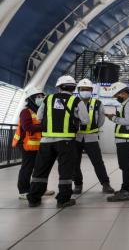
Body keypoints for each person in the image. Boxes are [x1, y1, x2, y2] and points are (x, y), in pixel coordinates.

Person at [27, 75, 90, 208]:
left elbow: (39, 117)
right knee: (65, 171)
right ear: (73, 88)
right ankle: (63, 200)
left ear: (59, 87)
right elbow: (85, 120)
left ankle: (34, 198)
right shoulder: (76, 101)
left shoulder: (48, 99)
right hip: (66, 141)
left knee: (40, 170)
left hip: (46, 141)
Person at [73, 78, 114, 194]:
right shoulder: (73, 102)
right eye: (83, 89)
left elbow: (101, 120)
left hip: (91, 137)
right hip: (76, 137)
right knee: (75, 163)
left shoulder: (98, 103)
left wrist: (92, 128)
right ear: (79, 90)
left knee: (98, 162)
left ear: (91, 91)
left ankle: (105, 184)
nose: (85, 91)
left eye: (87, 89)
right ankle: (77, 185)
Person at [13, 88, 55, 200]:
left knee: (40, 168)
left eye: (42, 97)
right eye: (38, 97)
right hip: (26, 144)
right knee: (27, 168)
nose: (40, 99)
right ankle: (23, 191)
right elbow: (27, 127)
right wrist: (44, 127)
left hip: (39, 145)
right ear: (31, 99)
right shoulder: (26, 112)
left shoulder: (41, 111)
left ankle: (40, 189)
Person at [105, 82, 129, 202]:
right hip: (124, 140)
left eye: (117, 95)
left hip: (126, 140)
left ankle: (127, 191)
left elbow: (128, 121)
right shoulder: (127, 103)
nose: (116, 98)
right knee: (126, 165)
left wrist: (113, 118)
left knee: (127, 166)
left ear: (123, 93)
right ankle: (127, 189)